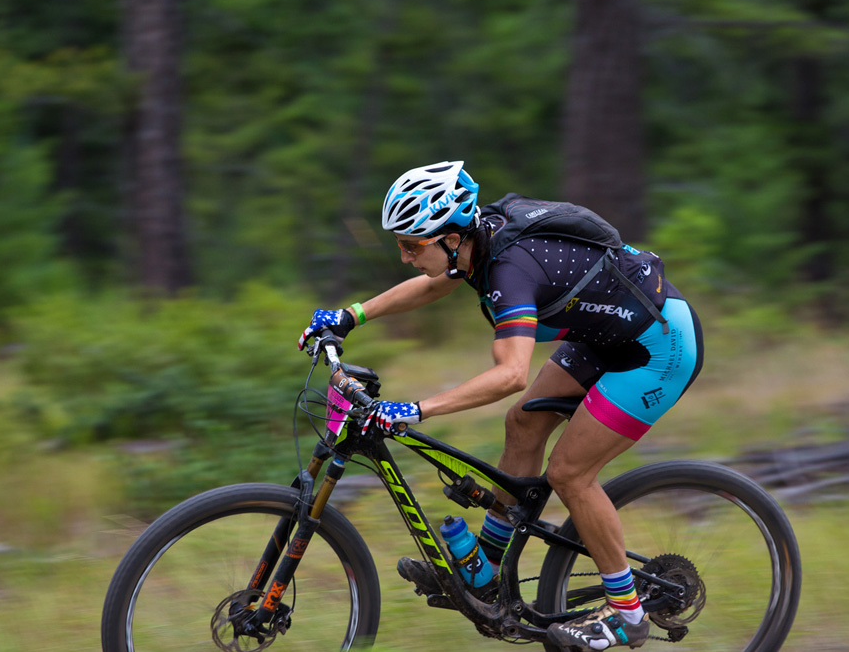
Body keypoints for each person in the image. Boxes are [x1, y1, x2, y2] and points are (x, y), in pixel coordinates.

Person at [299, 161, 703, 651]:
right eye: (400, 244)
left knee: (570, 473)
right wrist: (350, 315)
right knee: (524, 423)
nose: (404, 256)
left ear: (451, 236)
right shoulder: (477, 243)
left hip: (658, 347)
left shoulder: (509, 270)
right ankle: (487, 568)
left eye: (411, 244)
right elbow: (436, 282)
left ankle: (627, 614)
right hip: (604, 336)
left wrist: (416, 409)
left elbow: (510, 374)